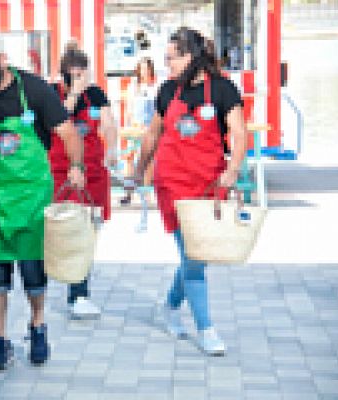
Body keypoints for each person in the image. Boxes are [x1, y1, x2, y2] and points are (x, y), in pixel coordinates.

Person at [0, 31, 85, 371]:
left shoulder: (35, 90)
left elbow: (68, 133)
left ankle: (37, 326)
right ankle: (0, 340)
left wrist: (76, 166)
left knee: (33, 272)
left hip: (31, 198)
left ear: (1, 60)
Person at [134, 27, 247, 356]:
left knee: (199, 256)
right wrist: (139, 170)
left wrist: (232, 169)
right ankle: (207, 329)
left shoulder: (224, 89)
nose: (166, 65)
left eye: (171, 59)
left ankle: (170, 305)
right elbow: (152, 135)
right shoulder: (167, 90)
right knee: (194, 256)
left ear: (191, 58)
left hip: (210, 185)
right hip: (173, 184)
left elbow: (239, 134)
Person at [50, 41, 118, 319]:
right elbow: (56, 118)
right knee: (67, 228)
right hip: (63, 168)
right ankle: (69, 281)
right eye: (74, 74)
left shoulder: (96, 94)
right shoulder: (52, 93)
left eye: (83, 73)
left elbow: (109, 123)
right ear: (64, 73)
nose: (79, 79)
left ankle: (79, 291)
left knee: (88, 229)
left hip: (92, 170)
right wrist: (72, 95)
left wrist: (112, 150)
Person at [122, 57, 158, 205]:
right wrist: (127, 124)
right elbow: (129, 109)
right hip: (135, 126)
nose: (143, 71)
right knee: (129, 158)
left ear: (150, 70)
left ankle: (146, 191)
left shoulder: (155, 87)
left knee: (149, 159)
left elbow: (156, 109)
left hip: (149, 127)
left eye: (146, 68)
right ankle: (128, 192)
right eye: (141, 68)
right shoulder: (133, 86)